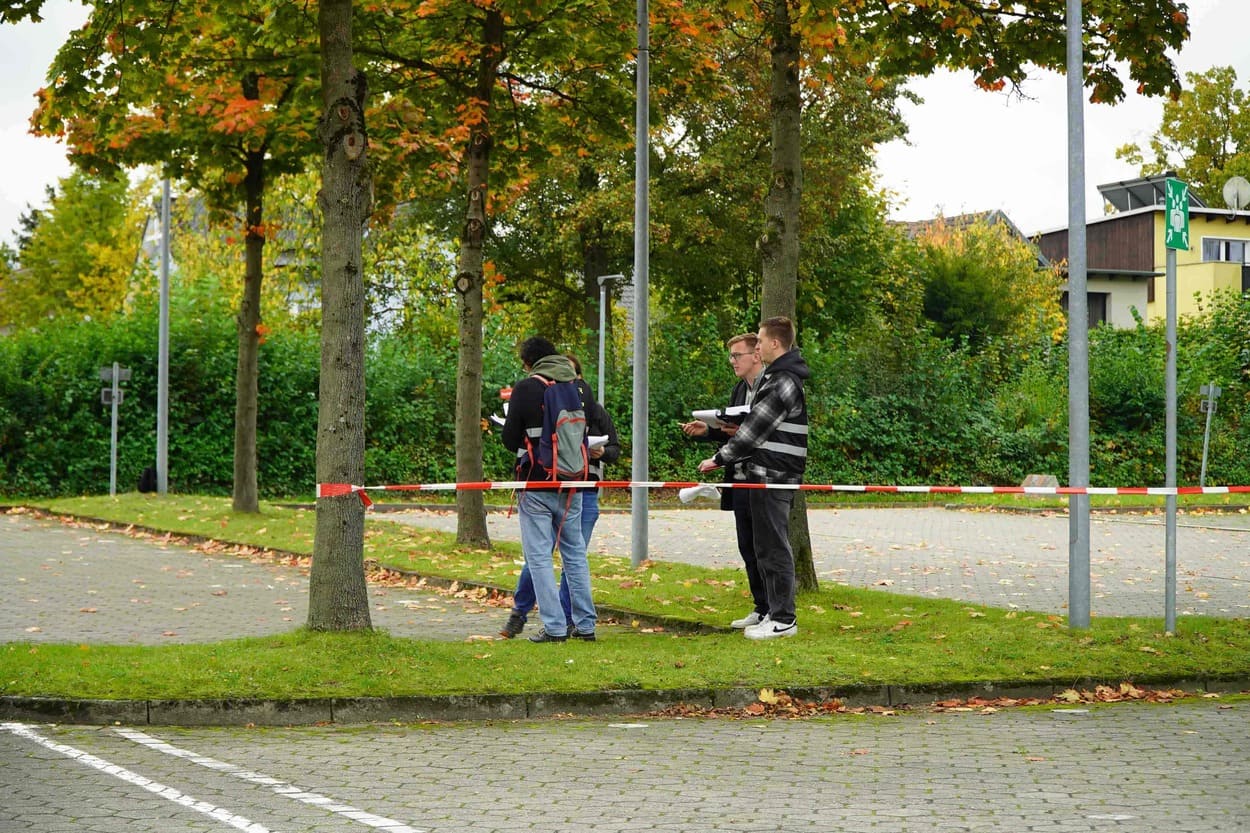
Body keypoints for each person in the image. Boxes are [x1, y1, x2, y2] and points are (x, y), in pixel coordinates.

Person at [698, 316, 809, 640]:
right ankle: (771, 612)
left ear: (775, 343)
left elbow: (754, 429)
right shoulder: (776, 378)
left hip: (774, 476)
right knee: (763, 549)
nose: (757, 347)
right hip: (762, 474)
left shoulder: (783, 381)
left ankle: (784, 619)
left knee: (774, 548)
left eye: (760, 341)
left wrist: (719, 458)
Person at [501, 353, 619, 640]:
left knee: (539, 557)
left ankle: (554, 627)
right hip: (573, 483)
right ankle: (586, 625)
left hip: (537, 483)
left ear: (531, 363)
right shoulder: (580, 389)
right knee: (575, 555)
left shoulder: (526, 388)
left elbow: (509, 439)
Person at [680, 334, 769, 630]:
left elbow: (761, 433)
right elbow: (734, 431)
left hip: (764, 479)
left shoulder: (769, 388)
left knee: (766, 548)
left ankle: (776, 610)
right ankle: (761, 607)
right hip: (738, 480)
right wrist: (708, 430)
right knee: (747, 547)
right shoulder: (739, 390)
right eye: (731, 356)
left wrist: (727, 445)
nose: (732, 361)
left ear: (756, 355)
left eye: (737, 355)